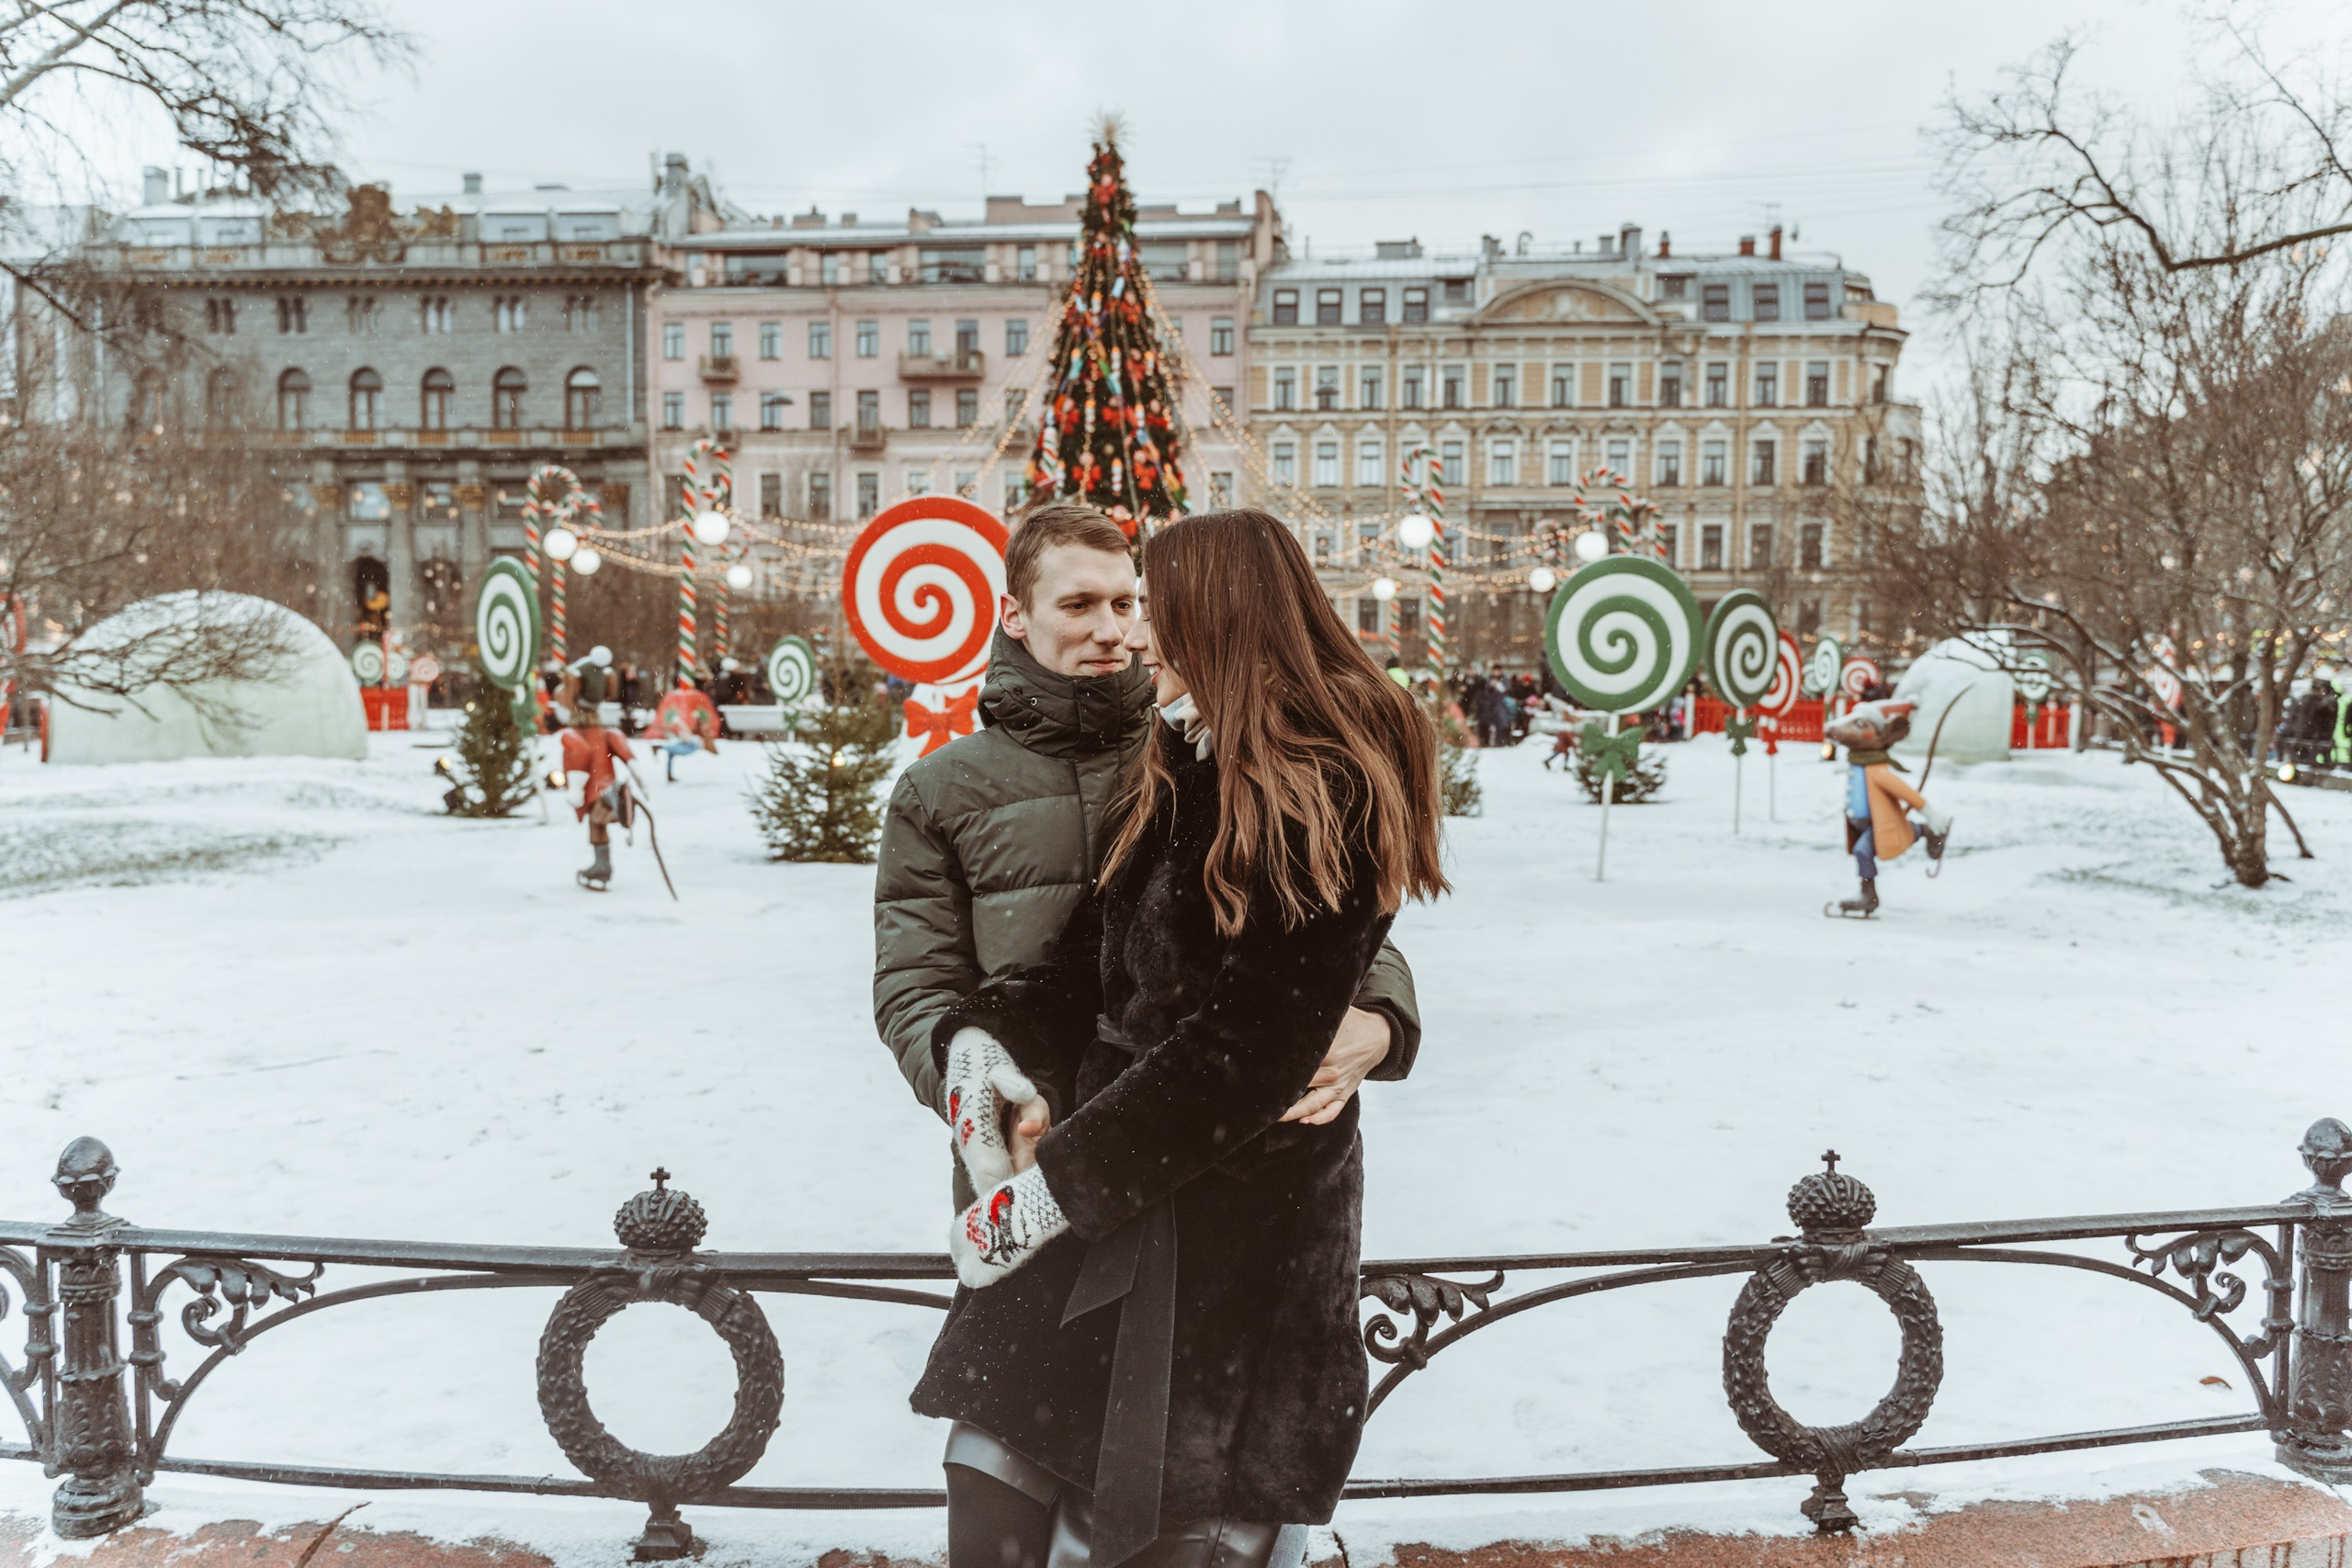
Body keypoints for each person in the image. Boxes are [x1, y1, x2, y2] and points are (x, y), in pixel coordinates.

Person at [911, 509, 1446, 1568]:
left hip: (1229, 1228)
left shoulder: (1317, 779)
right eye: (1104, 606)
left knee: (1178, 1527)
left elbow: (1250, 1044)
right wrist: (980, 1041)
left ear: (1216, 615)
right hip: (1111, 1188)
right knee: (998, 1483)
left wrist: (1051, 1195)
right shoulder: (1184, 759)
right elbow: (1089, 961)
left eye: (1149, 607)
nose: (1135, 636)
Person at [875, 502, 1421, 1213]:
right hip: (1026, 1153)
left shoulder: (1209, 745)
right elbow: (915, 983)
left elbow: (1322, 926)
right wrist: (978, 1088)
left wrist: (1382, 1019)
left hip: (1209, 1157)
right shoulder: (939, 789)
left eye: (1126, 602)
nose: (1114, 632)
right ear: (1015, 614)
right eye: (1078, 604)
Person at [1825, 697, 1951, 917]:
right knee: (1899, 832)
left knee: (1863, 851)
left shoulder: (1878, 772)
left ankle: (1868, 896)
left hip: (1877, 824)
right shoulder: (1860, 765)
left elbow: (1905, 792)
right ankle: (1924, 831)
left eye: (1861, 725)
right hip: (1867, 824)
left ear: (1882, 736)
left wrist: (1929, 811)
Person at [558, 656, 634, 891]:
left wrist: (575, 787)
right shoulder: (603, 732)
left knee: (596, 823)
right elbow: (618, 744)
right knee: (597, 825)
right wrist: (634, 766)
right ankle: (602, 865)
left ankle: (602, 866)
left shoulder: (573, 734)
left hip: (592, 788)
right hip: (606, 782)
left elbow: (581, 752)